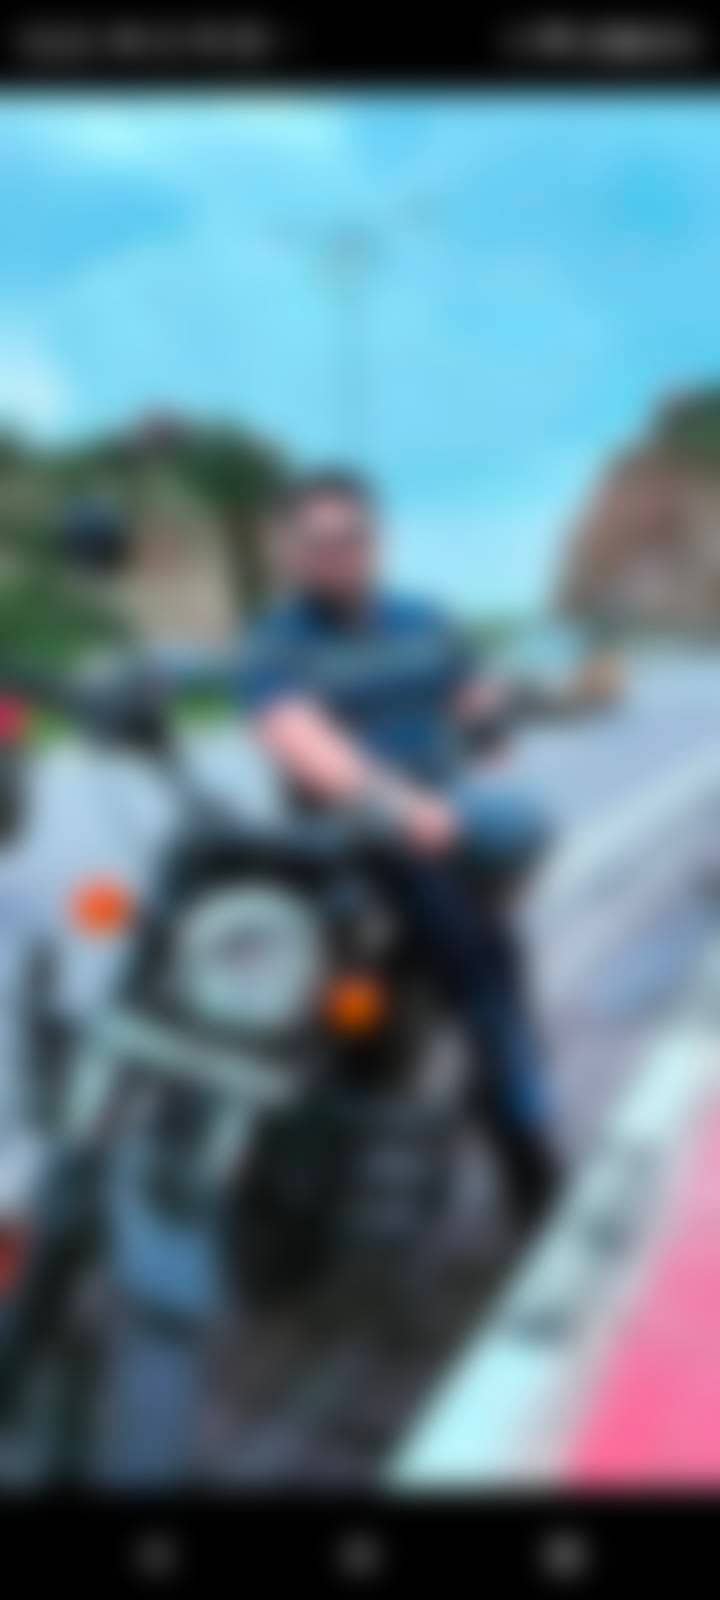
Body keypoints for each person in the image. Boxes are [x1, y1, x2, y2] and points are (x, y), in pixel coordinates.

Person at [240, 469, 560, 1230]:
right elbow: (295, 735)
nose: (333, 552)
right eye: (315, 540)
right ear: (289, 550)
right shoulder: (277, 640)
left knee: (488, 971)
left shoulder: (426, 621)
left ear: (375, 542)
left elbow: (476, 706)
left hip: (438, 836)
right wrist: (395, 806)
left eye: (348, 537)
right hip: (341, 844)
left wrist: (487, 761)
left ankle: (522, 1141)